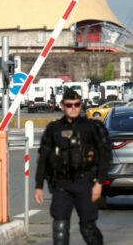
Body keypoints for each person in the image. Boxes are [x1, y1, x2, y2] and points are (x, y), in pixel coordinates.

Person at [34, 88, 112, 245]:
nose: (73, 108)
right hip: (61, 184)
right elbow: (43, 158)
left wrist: (99, 183)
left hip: (86, 182)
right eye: (69, 105)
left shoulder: (92, 127)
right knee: (59, 227)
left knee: (88, 227)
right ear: (62, 106)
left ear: (81, 106)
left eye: (77, 104)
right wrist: (39, 186)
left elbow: (105, 156)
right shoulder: (54, 129)